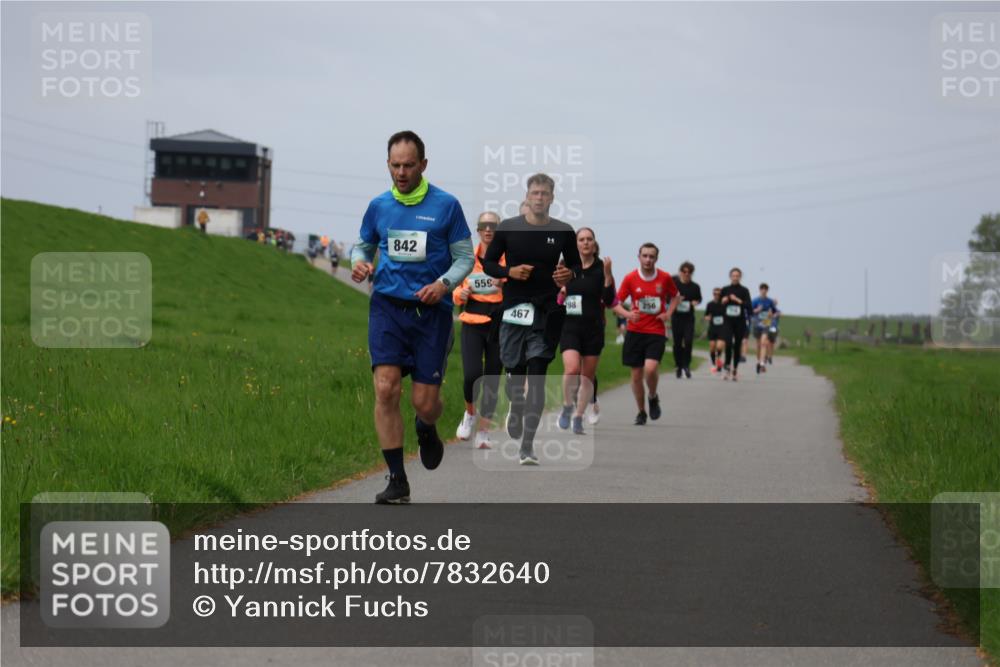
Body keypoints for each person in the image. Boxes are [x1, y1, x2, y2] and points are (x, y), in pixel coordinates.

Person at [350, 130, 474, 504]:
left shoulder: (446, 205)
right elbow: (363, 243)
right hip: (387, 307)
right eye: (395, 165)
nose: (401, 172)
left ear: (423, 164)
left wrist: (443, 284)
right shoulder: (379, 206)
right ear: (388, 164)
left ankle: (427, 426)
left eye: (408, 165)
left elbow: (465, 257)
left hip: (431, 313)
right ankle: (397, 479)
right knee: (385, 388)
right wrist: (359, 261)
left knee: (424, 402)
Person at [482, 173, 580, 465]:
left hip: (546, 310)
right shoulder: (508, 228)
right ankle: (516, 405)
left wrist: (569, 273)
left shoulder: (563, 231)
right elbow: (488, 263)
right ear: (527, 196)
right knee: (516, 369)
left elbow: (575, 264)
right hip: (513, 308)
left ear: (552, 198)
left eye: (544, 193)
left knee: (537, 373)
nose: (539, 198)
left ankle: (527, 446)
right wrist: (508, 272)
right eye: (534, 193)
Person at [613, 243, 681, 425]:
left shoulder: (665, 278)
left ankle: (652, 396)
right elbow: (616, 301)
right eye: (645, 256)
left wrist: (668, 313)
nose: (648, 260)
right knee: (636, 375)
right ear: (639, 257)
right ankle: (641, 411)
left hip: (656, 331)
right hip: (635, 332)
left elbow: (676, 296)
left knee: (650, 368)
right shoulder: (630, 278)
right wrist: (628, 314)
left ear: (656, 259)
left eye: (652, 256)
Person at [453, 212, 505, 450]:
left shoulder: (507, 261)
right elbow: (456, 290)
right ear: (478, 230)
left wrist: (506, 283)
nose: (488, 229)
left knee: (493, 378)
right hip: (472, 323)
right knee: (472, 375)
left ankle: (484, 432)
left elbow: (519, 287)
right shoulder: (467, 260)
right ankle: (469, 413)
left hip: (498, 324)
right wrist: (459, 294)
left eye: (492, 225)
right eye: (483, 225)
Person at [557, 228, 615, 435]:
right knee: (572, 369)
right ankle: (566, 406)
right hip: (570, 327)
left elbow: (609, 300)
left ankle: (579, 416)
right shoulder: (568, 267)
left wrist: (608, 277)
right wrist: (560, 285)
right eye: (581, 240)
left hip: (593, 329)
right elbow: (557, 295)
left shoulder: (601, 268)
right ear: (576, 244)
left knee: (586, 377)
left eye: (589, 239)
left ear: (594, 243)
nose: (586, 243)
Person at [720, 268, 753, 381]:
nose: (735, 277)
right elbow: (719, 304)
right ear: (730, 276)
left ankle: (735, 369)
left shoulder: (744, 290)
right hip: (728, 321)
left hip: (739, 321)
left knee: (737, 345)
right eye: (733, 275)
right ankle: (727, 367)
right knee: (728, 343)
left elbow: (749, 306)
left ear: (740, 277)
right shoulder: (725, 289)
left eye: (737, 276)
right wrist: (723, 300)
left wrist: (738, 300)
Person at [671, 260, 702, 379]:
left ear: (692, 273)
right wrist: (675, 300)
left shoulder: (695, 287)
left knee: (688, 342)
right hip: (677, 317)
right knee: (677, 343)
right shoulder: (675, 284)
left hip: (689, 318)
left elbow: (699, 299)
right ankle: (678, 365)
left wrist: (696, 302)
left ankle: (686, 365)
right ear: (680, 272)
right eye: (684, 271)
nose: (686, 274)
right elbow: (668, 297)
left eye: (689, 272)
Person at [752, 283, 778, 374]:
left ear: (767, 290)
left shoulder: (770, 301)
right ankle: (759, 361)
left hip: (766, 323)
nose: (763, 290)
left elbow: (775, 312)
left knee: (764, 343)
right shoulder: (755, 300)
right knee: (758, 345)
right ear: (759, 290)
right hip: (756, 324)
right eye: (762, 289)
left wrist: (772, 315)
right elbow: (750, 311)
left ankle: (762, 363)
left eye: (765, 289)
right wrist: (756, 310)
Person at [703, 287, 727, 375]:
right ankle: (714, 363)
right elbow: (705, 315)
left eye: (718, 294)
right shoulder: (710, 304)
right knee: (712, 347)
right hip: (713, 327)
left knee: (720, 346)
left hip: (722, 328)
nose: (717, 296)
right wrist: (707, 318)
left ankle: (718, 360)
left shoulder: (724, 304)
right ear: (713, 294)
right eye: (715, 294)